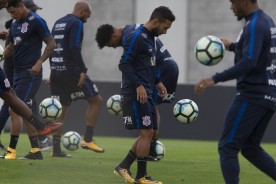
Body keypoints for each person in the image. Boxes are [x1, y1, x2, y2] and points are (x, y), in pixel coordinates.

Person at [194, 0, 276, 183]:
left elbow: (249, 62)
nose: (231, 7)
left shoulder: (255, 25)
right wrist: (234, 46)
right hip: (268, 94)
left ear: (243, 2)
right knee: (250, 147)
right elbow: (259, 53)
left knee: (227, 146)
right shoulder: (265, 21)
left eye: (233, 3)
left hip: (252, 95)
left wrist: (214, 78)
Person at [104, 6, 175, 184]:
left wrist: (158, 82)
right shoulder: (137, 36)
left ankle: (123, 166)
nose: (165, 32)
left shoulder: (151, 37)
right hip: (136, 93)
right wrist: (139, 86)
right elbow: (124, 64)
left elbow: (149, 65)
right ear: (156, 21)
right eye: (165, 28)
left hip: (148, 92)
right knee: (146, 133)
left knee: (149, 132)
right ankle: (141, 177)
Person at [95, 23, 179, 161]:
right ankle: (149, 147)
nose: (114, 47)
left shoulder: (129, 37)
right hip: (167, 66)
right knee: (153, 109)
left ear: (113, 35)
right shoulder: (132, 28)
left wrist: (135, 87)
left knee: (152, 109)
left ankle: (151, 147)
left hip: (160, 68)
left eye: (111, 44)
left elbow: (127, 64)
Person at [3, 0, 61, 160]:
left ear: (21, 6)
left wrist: (39, 62)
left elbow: (51, 44)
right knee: (25, 109)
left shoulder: (36, 20)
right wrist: (6, 51)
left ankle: (11, 151)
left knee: (13, 109)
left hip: (30, 74)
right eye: (10, 13)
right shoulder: (15, 24)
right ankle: (36, 150)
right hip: (17, 73)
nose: (12, 15)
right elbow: (12, 46)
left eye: (13, 12)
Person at [48, 1, 104, 157]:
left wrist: (52, 71)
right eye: (88, 15)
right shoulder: (77, 23)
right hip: (71, 70)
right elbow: (74, 47)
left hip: (57, 71)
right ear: (82, 11)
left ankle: (56, 150)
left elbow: (51, 47)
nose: (87, 18)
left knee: (61, 109)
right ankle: (88, 139)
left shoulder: (58, 22)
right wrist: (82, 70)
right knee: (96, 100)